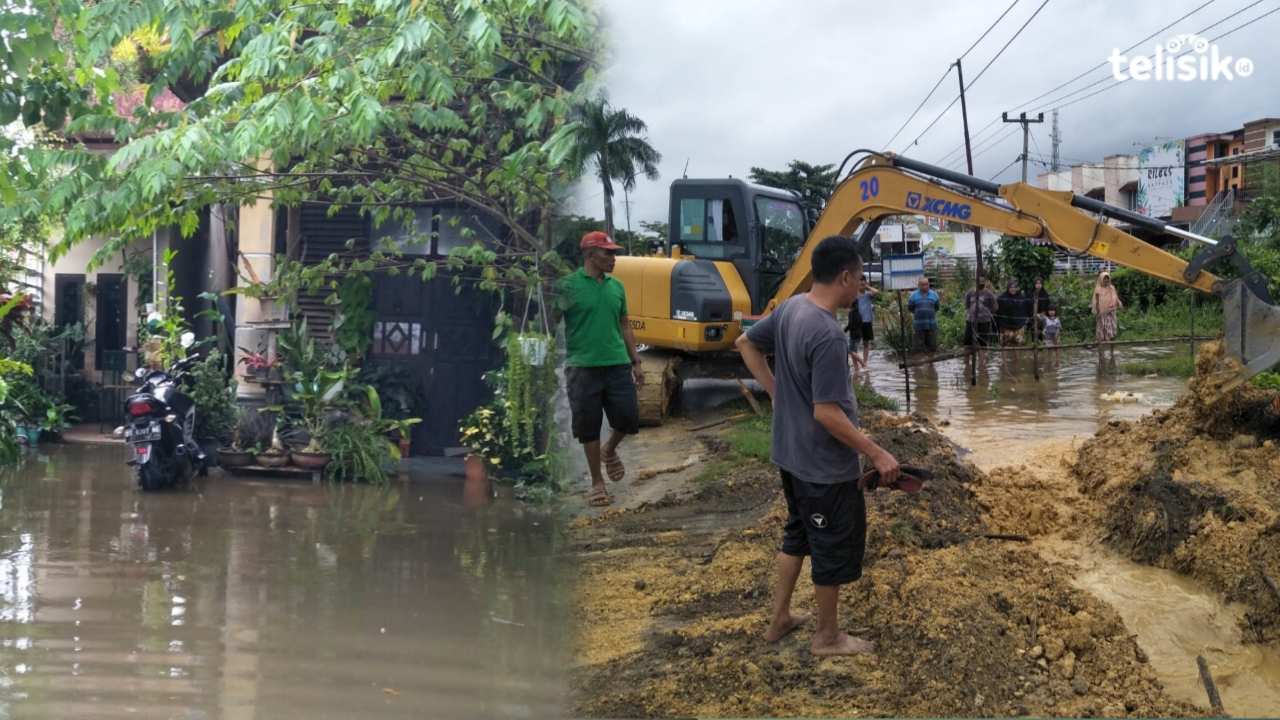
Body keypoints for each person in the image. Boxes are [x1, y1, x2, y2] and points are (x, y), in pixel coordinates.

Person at [735, 235, 901, 657]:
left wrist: (776, 392)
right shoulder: (827, 333)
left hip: (790, 455)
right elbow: (827, 413)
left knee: (798, 535)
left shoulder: (792, 307)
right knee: (830, 546)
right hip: (822, 465)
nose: (860, 287)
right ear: (845, 276)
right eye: (860, 279)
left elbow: (745, 344)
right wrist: (877, 453)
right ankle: (827, 637)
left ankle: (780, 618)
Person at [558, 231, 645, 508]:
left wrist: (636, 361)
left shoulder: (617, 287)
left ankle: (610, 450)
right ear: (590, 255)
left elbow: (625, 324)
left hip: (617, 363)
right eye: (608, 253)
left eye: (614, 253)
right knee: (588, 427)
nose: (614, 258)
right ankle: (597, 482)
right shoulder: (567, 287)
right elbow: (549, 321)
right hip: (582, 367)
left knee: (628, 418)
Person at [846, 274, 878, 371]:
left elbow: (876, 292)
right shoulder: (854, 295)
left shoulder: (868, 295)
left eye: (863, 281)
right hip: (856, 324)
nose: (862, 283)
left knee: (866, 344)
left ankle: (865, 363)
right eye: (860, 281)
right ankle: (857, 366)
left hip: (867, 321)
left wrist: (867, 286)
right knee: (853, 347)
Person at [964, 278, 998, 359]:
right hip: (971, 321)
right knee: (967, 342)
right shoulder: (970, 293)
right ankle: (967, 364)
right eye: (979, 282)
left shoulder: (989, 294)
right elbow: (967, 305)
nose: (981, 283)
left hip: (984, 321)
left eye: (982, 282)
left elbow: (995, 307)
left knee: (983, 343)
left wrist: (986, 313)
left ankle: (982, 364)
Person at [1092, 270, 1123, 357]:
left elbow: (1116, 297)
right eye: (1104, 279)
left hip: (1111, 312)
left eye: (1107, 279)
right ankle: (1101, 352)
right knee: (1101, 332)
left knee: (1112, 331)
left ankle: (1112, 351)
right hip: (1102, 313)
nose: (1106, 281)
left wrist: (1119, 303)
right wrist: (1098, 312)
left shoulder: (1112, 288)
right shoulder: (1098, 289)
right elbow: (1097, 302)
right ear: (1101, 279)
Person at [907, 277, 940, 353]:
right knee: (918, 349)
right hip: (918, 325)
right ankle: (919, 363)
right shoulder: (913, 296)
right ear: (919, 285)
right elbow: (910, 308)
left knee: (932, 348)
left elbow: (937, 307)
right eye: (922, 285)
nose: (925, 286)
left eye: (926, 284)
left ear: (928, 285)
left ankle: (930, 364)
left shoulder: (934, 295)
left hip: (931, 325)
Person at [997, 280, 1030, 346]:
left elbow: (1025, 310)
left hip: (1019, 326)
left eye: (1014, 287)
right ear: (1008, 288)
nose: (1013, 289)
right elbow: (998, 312)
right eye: (1011, 287)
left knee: (1018, 345)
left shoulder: (1021, 298)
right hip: (1006, 326)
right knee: (1006, 345)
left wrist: (1024, 321)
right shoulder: (1002, 298)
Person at [1030, 277, 1053, 342]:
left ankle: (1043, 341)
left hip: (1043, 314)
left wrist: (1042, 314)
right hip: (1033, 314)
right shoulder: (1031, 293)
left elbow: (1048, 306)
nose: (1038, 285)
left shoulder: (1045, 294)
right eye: (1037, 283)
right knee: (1034, 324)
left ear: (1042, 284)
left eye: (1040, 283)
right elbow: (1029, 305)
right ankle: (1034, 342)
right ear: (1034, 284)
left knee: (1043, 321)